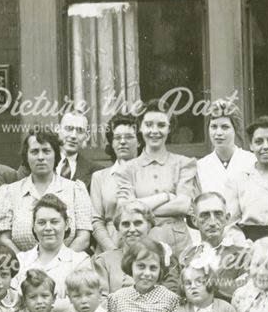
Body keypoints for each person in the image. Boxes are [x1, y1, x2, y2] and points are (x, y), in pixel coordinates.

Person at [117, 99, 199, 254]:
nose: (154, 131)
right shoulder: (127, 169)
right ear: (140, 127)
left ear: (170, 128)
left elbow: (182, 205)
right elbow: (125, 209)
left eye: (161, 125)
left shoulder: (184, 164)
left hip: (179, 244)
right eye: (148, 125)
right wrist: (166, 196)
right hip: (140, 243)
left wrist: (138, 206)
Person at [0, 128, 93, 253]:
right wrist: (26, 263)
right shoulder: (9, 193)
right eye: (34, 152)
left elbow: (83, 238)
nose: (40, 157)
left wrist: (60, 263)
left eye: (46, 151)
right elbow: (4, 238)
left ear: (55, 155)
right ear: (26, 156)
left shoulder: (75, 190)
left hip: (68, 267)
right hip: (23, 268)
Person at [11, 194, 91, 312]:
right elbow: (11, 305)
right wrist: (60, 304)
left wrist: (28, 302)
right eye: (42, 222)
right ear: (34, 226)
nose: (48, 228)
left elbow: (78, 307)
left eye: (54, 222)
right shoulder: (20, 260)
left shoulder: (79, 261)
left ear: (67, 224)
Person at [92, 200, 181, 297]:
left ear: (149, 225)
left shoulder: (165, 257)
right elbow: (100, 301)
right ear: (118, 228)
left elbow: (172, 296)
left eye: (138, 223)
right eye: (126, 224)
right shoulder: (104, 261)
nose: (132, 229)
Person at [180, 192, 251, 302]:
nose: (212, 222)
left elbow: (243, 294)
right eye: (205, 215)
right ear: (194, 221)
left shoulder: (243, 255)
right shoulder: (187, 257)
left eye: (218, 214)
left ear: (227, 218)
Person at [90, 112, 142, 252]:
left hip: (144, 245)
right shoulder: (99, 177)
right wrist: (111, 250)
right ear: (112, 143)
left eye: (129, 137)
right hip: (109, 244)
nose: (122, 142)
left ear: (139, 142)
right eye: (117, 138)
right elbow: (96, 221)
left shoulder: (150, 175)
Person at [197, 99, 255, 196]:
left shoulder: (251, 162)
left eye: (225, 127)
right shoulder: (201, 166)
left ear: (235, 129)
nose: (218, 133)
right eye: (214, 127)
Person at [54, 110, 98, 189]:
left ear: (87, 136)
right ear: (57, 129)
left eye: (80, 130)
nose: (73, 136)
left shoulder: (96, 172)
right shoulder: (41, 164)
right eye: (68, 128)